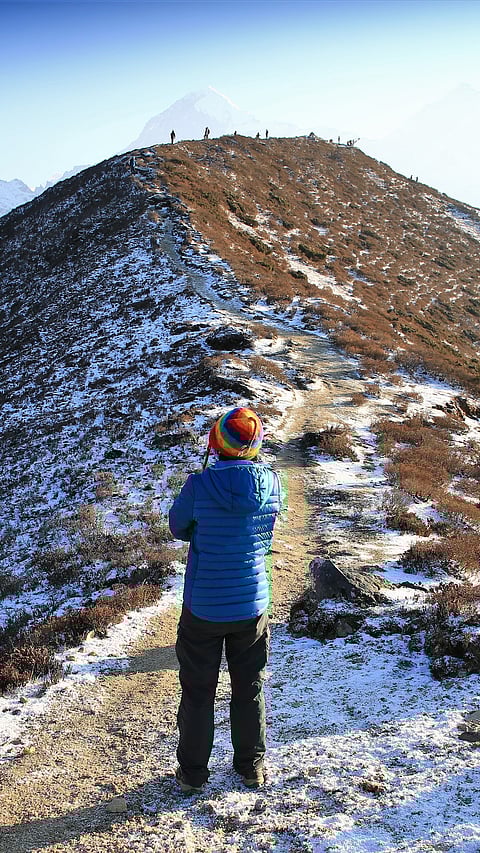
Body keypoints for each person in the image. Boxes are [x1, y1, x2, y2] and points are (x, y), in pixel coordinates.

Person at [169, 407, 282, 794]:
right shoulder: (273, 483)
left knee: (198, 692)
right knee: (249, 687)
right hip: (251, 603)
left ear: (215, 443)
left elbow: (178, 527)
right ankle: (251, 767)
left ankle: (193, 774)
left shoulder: (199, 485)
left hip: (203, 605)